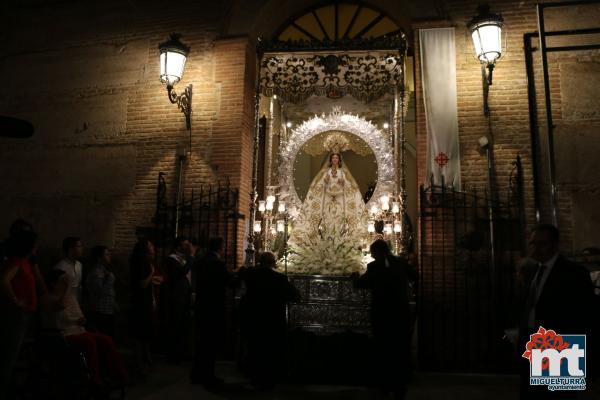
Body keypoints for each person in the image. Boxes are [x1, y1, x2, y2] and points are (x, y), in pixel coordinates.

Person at [517, 224, 595, 399]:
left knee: (558, 396)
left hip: (560, 343)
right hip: (533, 340)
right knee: (532, 393)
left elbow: (585, 313)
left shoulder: (574, 272)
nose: (536, 248)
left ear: (554, 245)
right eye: (533, 243)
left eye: (542, 244)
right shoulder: (532, 270)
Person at [286, 140, 369, 274]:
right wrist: (325, 183)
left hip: (340, 204)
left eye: (337, 158)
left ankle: (342, 244)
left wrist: (344, 184)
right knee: (326, 224)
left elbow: (351, 189)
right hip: (328, 204)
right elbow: (317, 188)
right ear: (331, 160)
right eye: (333, 158)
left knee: (340, 224)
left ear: (339, 160)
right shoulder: (325, 173)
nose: (335, 160)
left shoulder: (344, 173)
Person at [41, 269, 128, 395]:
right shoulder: (47, 298)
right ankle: (94, 379)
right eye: (63, 281)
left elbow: (77, 314)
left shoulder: (70, 297)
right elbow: (60, 306)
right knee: (89, 342)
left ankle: (118, 375)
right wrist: (66, 290)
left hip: (78, 330)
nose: (66, 283)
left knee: (106, 339)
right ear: (53, 283)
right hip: (63, 334)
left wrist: (81, 319)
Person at [353, 239, 417, 399]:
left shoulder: (374, 267)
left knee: (384, 348)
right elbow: (415, 275)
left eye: (373, 252)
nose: (372, 255)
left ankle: (385, 384)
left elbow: (362, 284)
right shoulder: (400, 263)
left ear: (376, 252)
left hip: (382, 314)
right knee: (399, 349)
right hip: (400, 313)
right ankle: (400, 384)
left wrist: (354, 278)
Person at [238, 251, 298, 389]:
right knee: (270, 348)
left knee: (255, 347)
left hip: (253, 317)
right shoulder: (280, 278)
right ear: (273, 263)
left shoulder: (251, 275)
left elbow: (240, 275)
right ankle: (268, 378)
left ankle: (254, 375)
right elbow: (292, 294)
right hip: (272, 319)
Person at [0, 230, 39, 398]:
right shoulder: (16, 262)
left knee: (13, 355)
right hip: (17, 316)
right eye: (35, 243)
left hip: (24, 315)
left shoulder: (24, 262)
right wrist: (15, 301)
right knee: (9, 356)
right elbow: (3, 280)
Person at [190, 237, 231, 390]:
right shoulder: (218, 264)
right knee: (211, 343)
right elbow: (228, 282)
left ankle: (196, 374)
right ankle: (208, 375)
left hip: (202, 305)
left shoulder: (200, 261)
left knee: (201, 342)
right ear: (220, 248)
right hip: (214, 307)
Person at [129, 238, 162, 378]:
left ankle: (145, 362)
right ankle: (140, 365)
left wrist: (154, 279)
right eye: (150, 245)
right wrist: (151, 274)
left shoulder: (145, 262)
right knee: (140, 334)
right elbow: (142, 283)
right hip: (141, 303)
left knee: (145, 333)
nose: (152, 247)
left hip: (145, 302)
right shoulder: (141, 263)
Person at [163, 237, 193, 364]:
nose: (186, 247)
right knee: (175, 326)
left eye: (187, 245)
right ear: (177, 246)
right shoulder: (171, 259)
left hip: (185, 296)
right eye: (184, 245)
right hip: (176, 297)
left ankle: (182, 353)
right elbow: (182, 272)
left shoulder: (184, 259)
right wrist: (191, 256)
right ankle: (172, 355)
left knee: (184, 326)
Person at [84, 246, 118, 338]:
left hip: (106, 310)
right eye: (106, 254)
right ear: (99, 258)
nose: (110, 256)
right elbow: (100, 293)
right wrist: (110, 279)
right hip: (100, 312)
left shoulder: (104, 270)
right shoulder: (96, 272)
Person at [54, 237, 84, 303]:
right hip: (66, 302)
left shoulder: (79, 265)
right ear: (71, 249)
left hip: (77, 302)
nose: (82, 248)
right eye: (79, 246)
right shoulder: (61, 267)